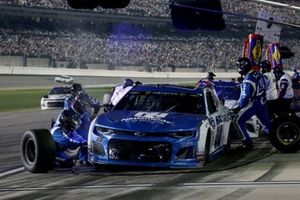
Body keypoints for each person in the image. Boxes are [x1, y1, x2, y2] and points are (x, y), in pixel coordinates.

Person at [232, 57, 270, 149]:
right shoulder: (258, 74)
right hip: (262, 102)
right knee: (266, 124)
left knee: (237, 121)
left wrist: (239, 107)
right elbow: (266, 83)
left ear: (243, 66)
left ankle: (247, 143)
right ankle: (276, 138)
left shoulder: (248, 79)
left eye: (239, 66)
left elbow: (246, 96)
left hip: (254, 103)